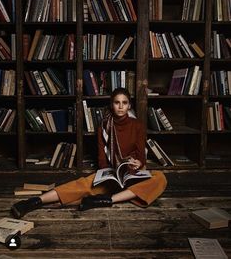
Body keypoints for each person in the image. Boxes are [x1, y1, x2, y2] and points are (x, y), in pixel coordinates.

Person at [11, 88, 167, 218]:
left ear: (129, 105)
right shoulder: (104, 126)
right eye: (117, 102)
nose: (120, 106)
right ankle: (34, 201)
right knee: (83, 184)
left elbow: (141, 156)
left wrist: (139, 163)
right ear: (111, 105)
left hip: (132, 174)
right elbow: (101, 159)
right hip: (112, 173)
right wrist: (110, 174)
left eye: (124, 103)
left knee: (159, 178)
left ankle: (106, 200)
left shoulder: (137, 125)